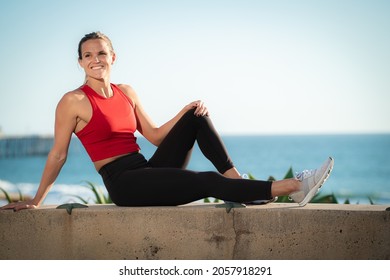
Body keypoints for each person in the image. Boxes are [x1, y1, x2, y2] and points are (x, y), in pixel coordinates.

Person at [0, 31, 334, 211]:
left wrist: (185, 109)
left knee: (196, 116)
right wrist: (36, 199)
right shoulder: (72, 101)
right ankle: (292, 187)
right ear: (80, 62)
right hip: (124, 183)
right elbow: (58, 154)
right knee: (205, 179)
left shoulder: (126, 91)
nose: (95, 59)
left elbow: (157, 137)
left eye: (101, 53)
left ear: (112, 57)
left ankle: (238, 181)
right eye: (88, 55)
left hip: (145, 167)